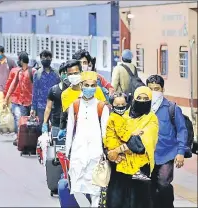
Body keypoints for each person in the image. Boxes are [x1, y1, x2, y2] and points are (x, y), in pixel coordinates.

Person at [104, 86, 159, 208]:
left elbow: (139, 144)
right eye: (139, 98)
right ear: (133, 99)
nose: (142, 101)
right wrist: (109, 153)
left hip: (139, 171)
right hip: (119, 169)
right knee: (116, 202)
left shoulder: (151, 119)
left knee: (137, 203)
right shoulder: (123, 115)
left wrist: (117, 151)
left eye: (146, 98)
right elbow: (109, 135)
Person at [64, 71, 110, 207]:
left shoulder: (102, 107)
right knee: (77, 189)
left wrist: (105, 154)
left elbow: (105, 134)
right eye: (87, 85)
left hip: (96, 155)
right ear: (81, 85)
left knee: (96, 190)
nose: (90, 88)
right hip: (78, 154)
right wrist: (68, 153)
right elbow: (70, 130)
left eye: (93, 85)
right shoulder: (75, 105)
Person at [146, 75, 187, 208]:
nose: (153, 92)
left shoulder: (172, 108)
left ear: (163, 89)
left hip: (166, 154)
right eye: (150, 89)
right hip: (146, 155)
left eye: (156, 88)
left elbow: (182, 130)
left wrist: (180, 152)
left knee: (163, 183)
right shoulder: (142, 108)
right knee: (149, 186)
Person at [58, 60, 107, 139]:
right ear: (67, 75)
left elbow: (104, 109)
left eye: (76, 73)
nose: (73, 76)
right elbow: (72, 113)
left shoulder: (95, 89)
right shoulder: (65, 94)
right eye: (70, 74)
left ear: (81, 72)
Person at [4, 52, 37, 145]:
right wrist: (6, 98)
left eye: (18, 60)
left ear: (22, 61)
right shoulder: (20, 72)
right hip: (23, 102)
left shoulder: (32, 72)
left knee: (34, 122)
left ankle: (34, 141)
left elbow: (37, 87)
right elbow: (13, 85)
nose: (17, 61)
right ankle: (22, 139)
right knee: (22, 123)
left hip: (32, 103)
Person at [30, 50, 60, 128]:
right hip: (41, 106)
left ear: (51, 59)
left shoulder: (56, 73)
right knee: (42, 128)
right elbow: (35, 92)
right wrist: (33, 108)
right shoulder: (37, 74)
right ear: (40, 59)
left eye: (47, 57)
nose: (45, 59)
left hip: (54, 106)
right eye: (43, 58)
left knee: (54, 128)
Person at [42, 62, 69, 139]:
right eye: (64, 73)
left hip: (69, 125)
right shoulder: (53, 90)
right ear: (59, 75)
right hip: (56, 124)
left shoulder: (74, 90)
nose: (66, 75)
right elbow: (48, 107)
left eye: (68, 73)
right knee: (56, 146)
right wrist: (44, 123)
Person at [0, 45, 16, 116]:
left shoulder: (10, 62)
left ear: (3, 53)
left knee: (8, 106)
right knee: (1, 105)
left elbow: (16, 72)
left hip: (9, 88)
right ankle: (1, 122)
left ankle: (7, 122)